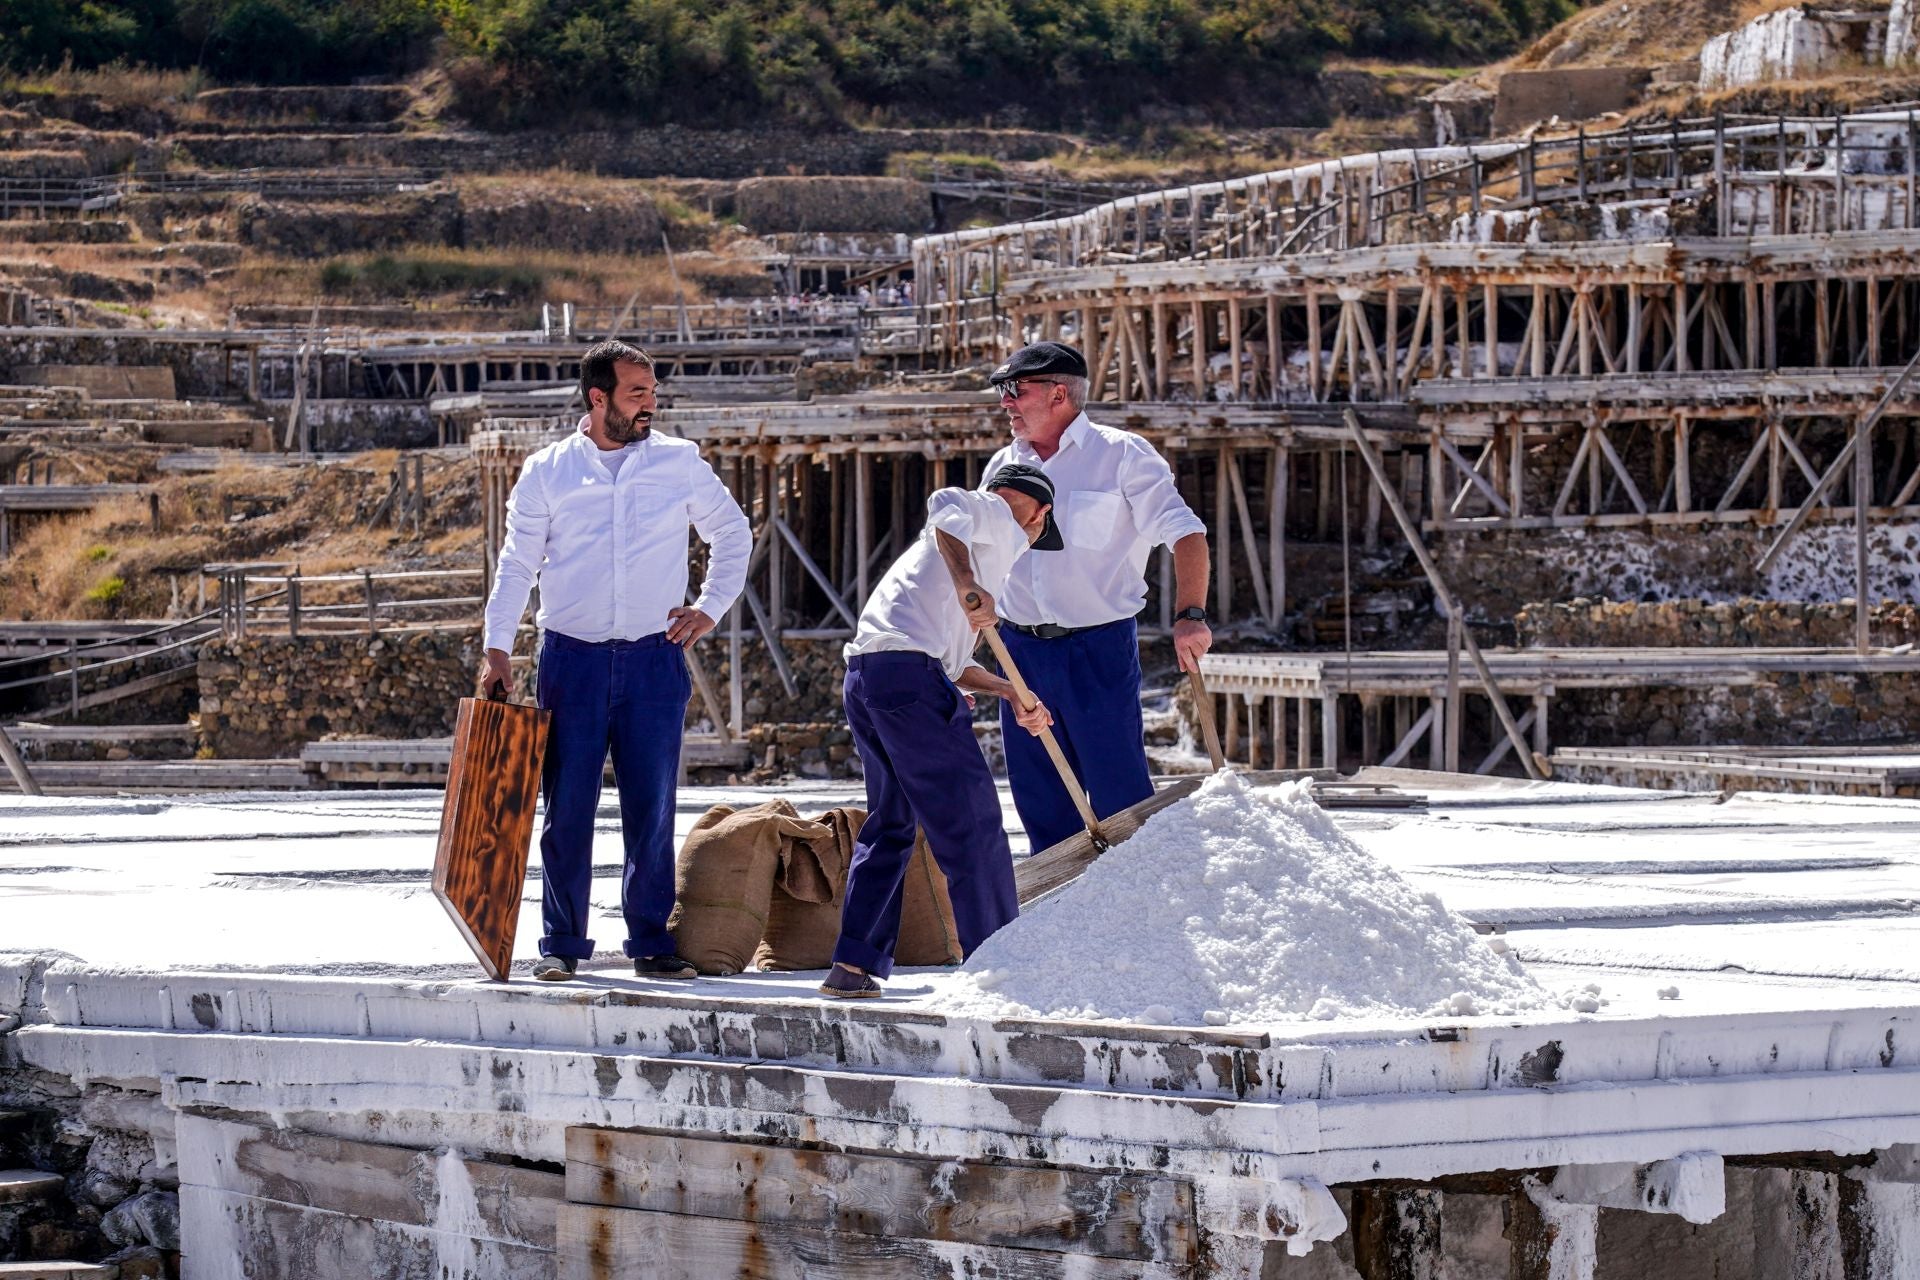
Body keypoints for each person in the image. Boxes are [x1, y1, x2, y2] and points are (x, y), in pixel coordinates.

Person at [480, 340, 751, 982]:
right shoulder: (547, 471)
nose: (650, 404)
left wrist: (709, 608)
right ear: (598, 399)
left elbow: (732, 533)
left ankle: (651, 943)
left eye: (652, 392)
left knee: (651, 806)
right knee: (565, 807)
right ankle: (560, 945)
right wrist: (497, 648)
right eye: (638, 393)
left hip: (654, 660)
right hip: (568, 660)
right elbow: (517, 564)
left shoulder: (679, 462)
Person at [820, 464, 1063, 999]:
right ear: (1040, 513)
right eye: (1040, 528)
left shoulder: (958, 562)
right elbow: (943, 505)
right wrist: (967, 582)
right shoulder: (992, 512)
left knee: (893, 824)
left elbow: (952, 668)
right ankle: (1001, 965)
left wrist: (1013, 694)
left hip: (872, 678)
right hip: (906, 679)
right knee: (972, 821)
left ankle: (852, 967)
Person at [980, 341, 1213, 855]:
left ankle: (1134, 914)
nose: (1006, 402)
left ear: (1058, 393)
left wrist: (1190, 616)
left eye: (1016, 390)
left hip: (1099, 649)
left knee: (1121, 796)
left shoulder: (1122, 455)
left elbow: (1186, 533)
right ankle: (1061, 920)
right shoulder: (1002, 463)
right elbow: (979, 559)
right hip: (1019, 651)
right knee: (1040, 798)